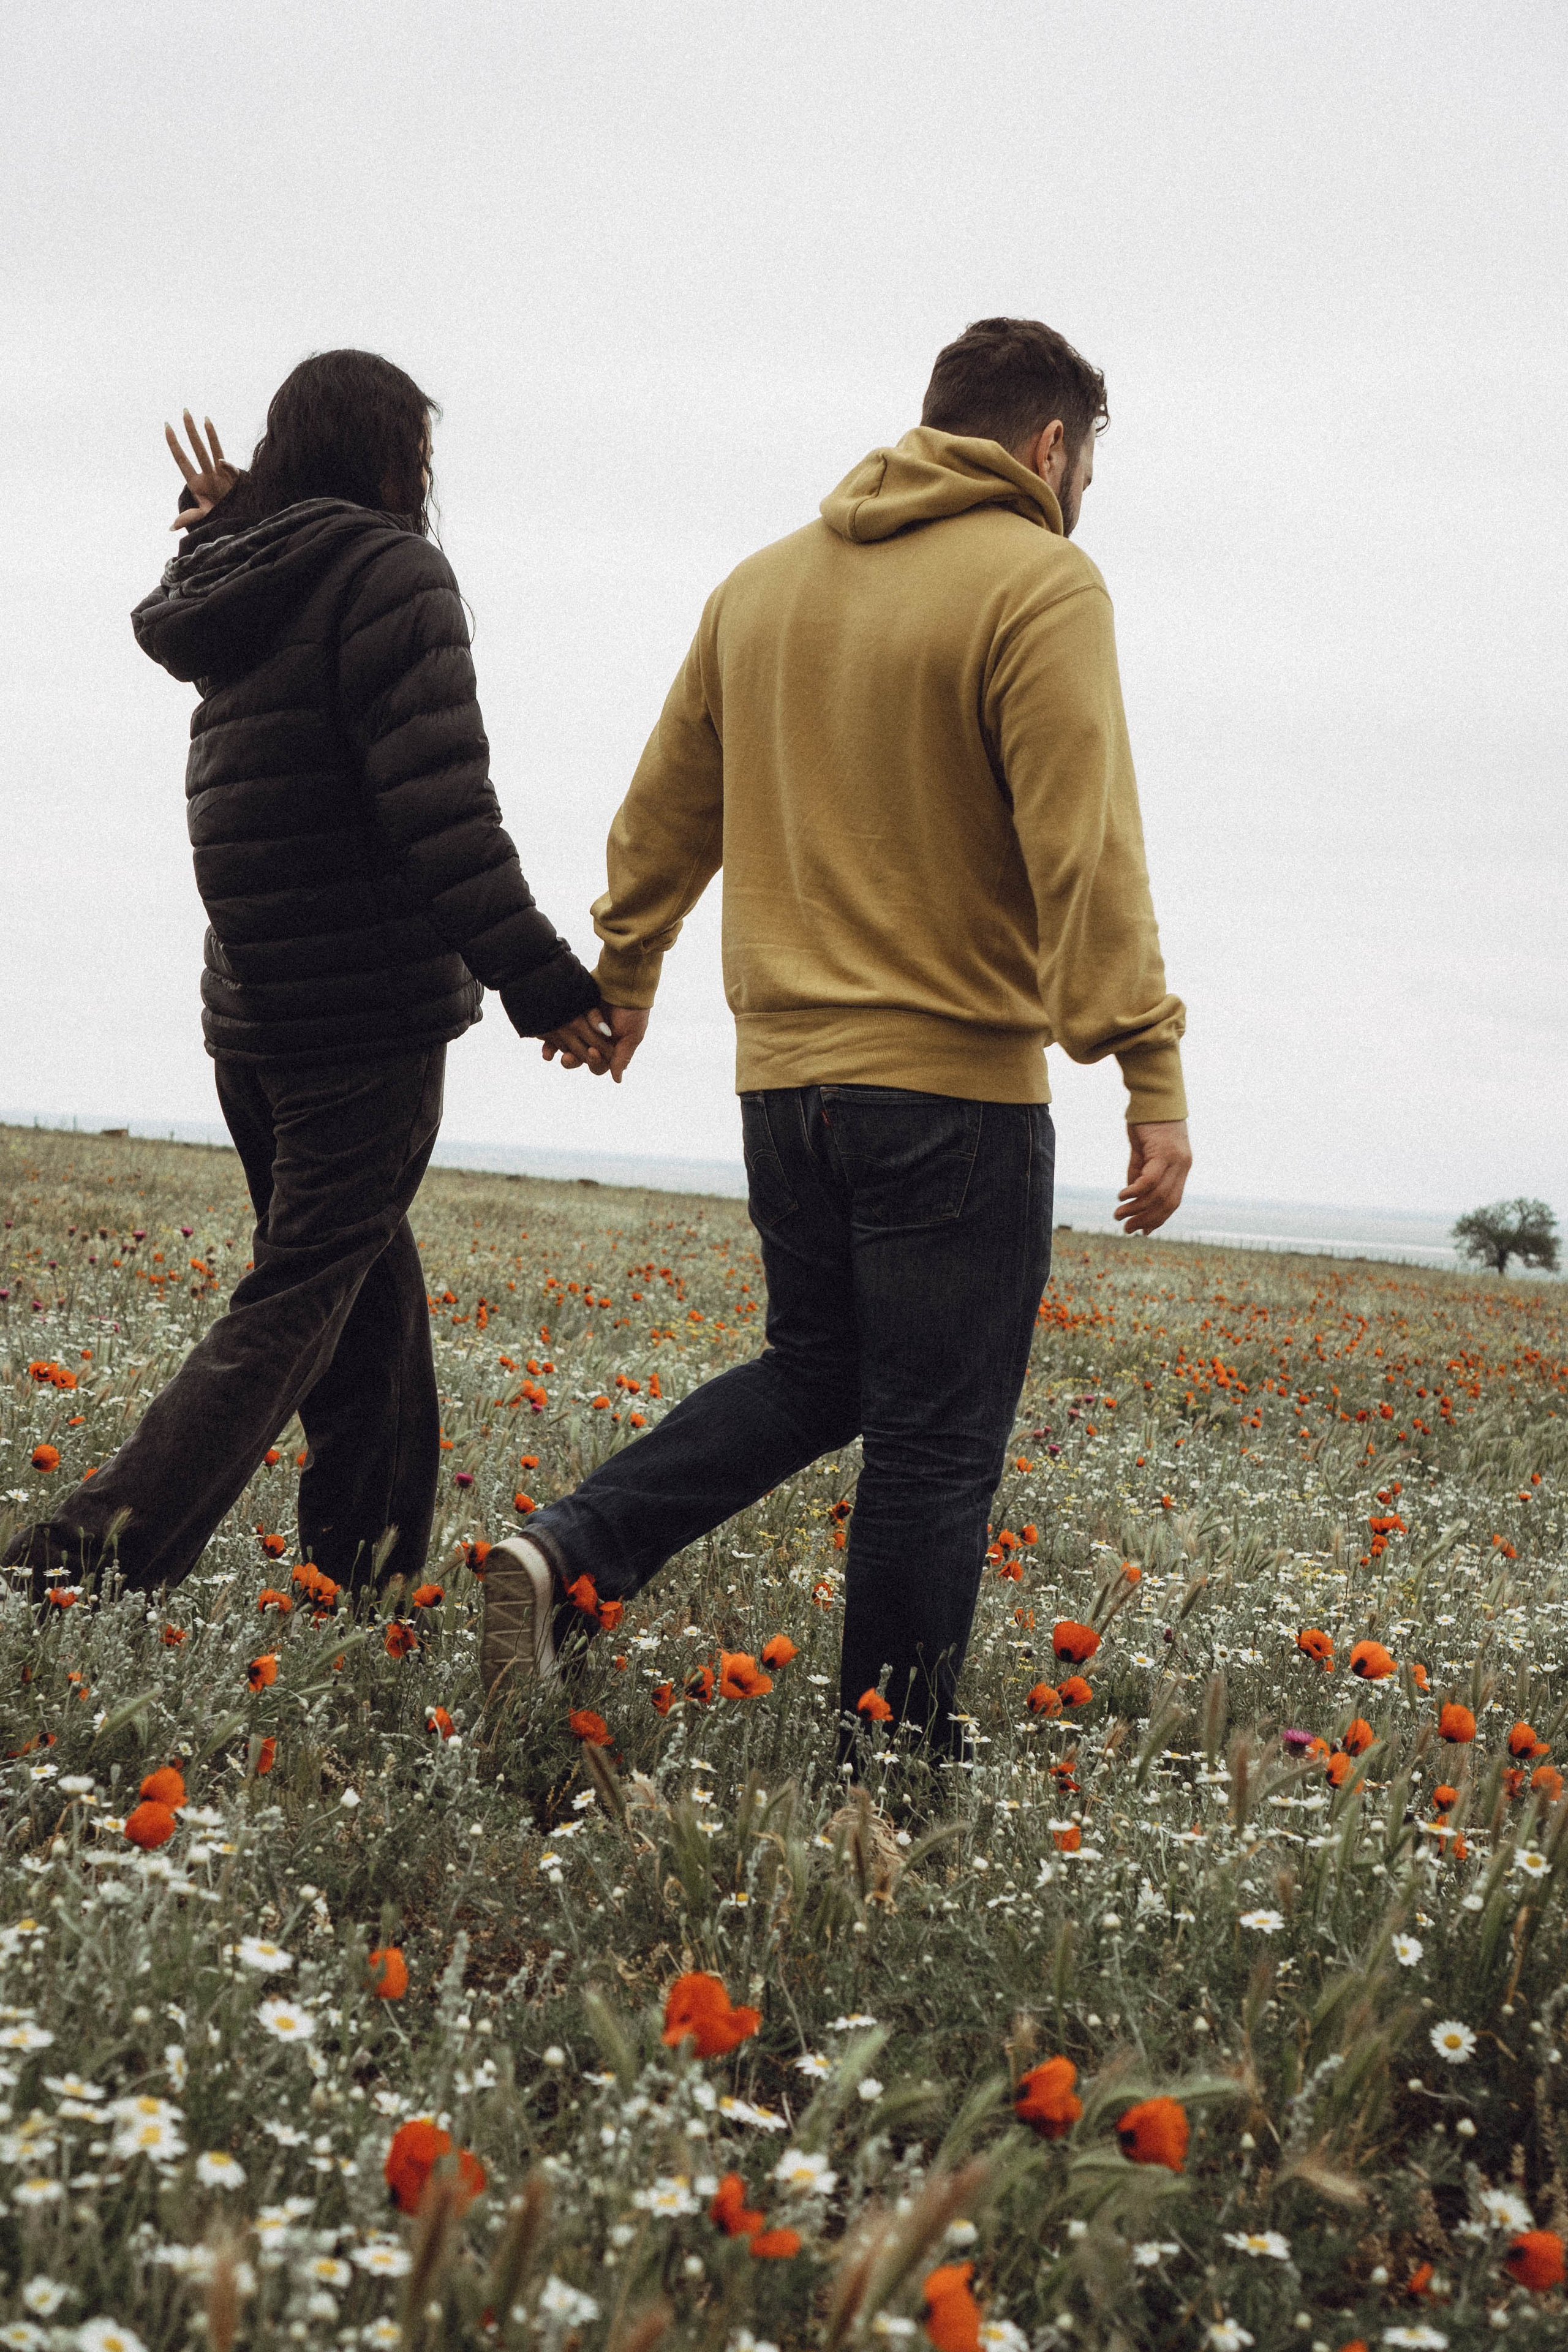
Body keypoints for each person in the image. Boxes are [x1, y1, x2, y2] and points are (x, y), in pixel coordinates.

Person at [481, 316, 1193, 1761]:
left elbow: (666, 803)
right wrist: (1145, 1065)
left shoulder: (760, 587)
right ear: (1049, 448)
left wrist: (628, 968)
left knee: (819, 1374)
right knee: (933, 1440)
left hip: (783, 1084)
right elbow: (1086, 848)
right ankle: (890, 1775)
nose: (1079, 499)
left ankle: (572, 1549)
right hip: (949, 1094)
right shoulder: (1041, 582)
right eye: (1084, 471)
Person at [4, 349, 610, 1600]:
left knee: (365, 1300)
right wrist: (545, 981)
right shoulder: (391, 574)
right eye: (419, 455)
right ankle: (76, 1565)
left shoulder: (246, 583)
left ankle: (366, 1575)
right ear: (386, 458)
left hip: (255, 1015)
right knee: (295, 1303)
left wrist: (238, 517)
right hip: (362, 1019)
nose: (427, 479)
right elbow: (443, 810)